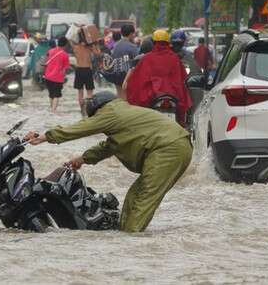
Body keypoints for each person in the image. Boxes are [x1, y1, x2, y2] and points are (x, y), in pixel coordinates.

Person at [24, 91, 193, 233]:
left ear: (98, 109)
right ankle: (126, 236)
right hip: (174, 146)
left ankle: (132, 243)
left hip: (167, 149)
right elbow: (109, 146)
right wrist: (82, 159)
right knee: (134, 197)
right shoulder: (122, 113)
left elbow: (79, 129)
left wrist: (44, 138)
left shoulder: (109, 112)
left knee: (142, 199)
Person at [124, 29, 192, 126]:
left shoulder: (147, 59)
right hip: (174, 96)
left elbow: (137, 80)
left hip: (152, 97)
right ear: (168, 42)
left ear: (154, 43)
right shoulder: (175, 58)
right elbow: (183, 78)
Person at [72, 34, 101, 116]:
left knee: (80, 93)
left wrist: (79, 29)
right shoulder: (89, 47)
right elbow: (98, 54)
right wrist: (96, 44)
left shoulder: (75, 47)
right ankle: (88, 110)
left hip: (78, 70)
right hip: (87, 70)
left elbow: (70, 37)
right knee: (89, 93)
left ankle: (82, 111)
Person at [43, 37, 70, 113]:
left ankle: (51, 109)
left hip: (48, 76)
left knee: (51, 94)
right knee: (56, 95)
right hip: (57, 78)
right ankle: (53, 111)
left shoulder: (50, 51)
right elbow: (66, 68)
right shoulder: (65, 55)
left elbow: (46, 60)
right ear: (65, 45)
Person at [110, 25, 137, 96]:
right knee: (127, 98)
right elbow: (136, 64)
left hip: (116, 74)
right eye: (134, 34)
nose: (134, 35)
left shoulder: (116, 46)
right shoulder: (132, 47)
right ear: (131, 34)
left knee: (119, 96)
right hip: (127, 76)